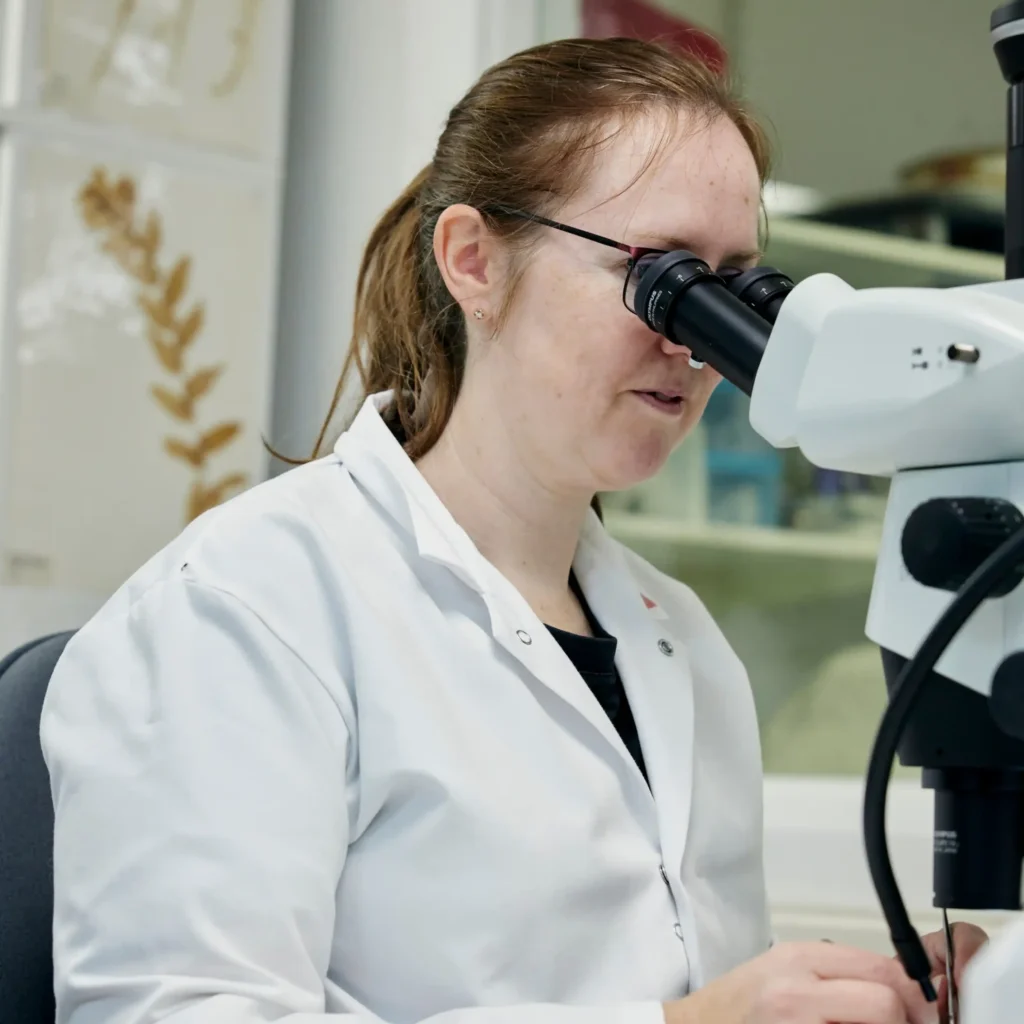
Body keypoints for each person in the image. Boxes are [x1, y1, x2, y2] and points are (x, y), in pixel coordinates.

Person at [41, 36, 986, 1024]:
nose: (696, 346)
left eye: (736, 289)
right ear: (474, 261)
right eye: (663, 279)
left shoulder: (685, 641)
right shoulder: (244, 609)